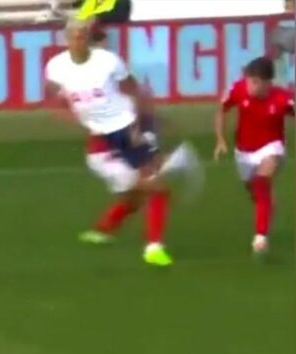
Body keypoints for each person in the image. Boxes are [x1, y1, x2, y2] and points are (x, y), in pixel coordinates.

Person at [45, 18, 201, 267]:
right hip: (101, 144)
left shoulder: (108, 61)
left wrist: (142, 123)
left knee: (153, 188)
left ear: (88, 37)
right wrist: (72, 116)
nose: (79, 40)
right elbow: (52, 98)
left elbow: (134, 90)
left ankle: (150, 246)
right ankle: (174, 163)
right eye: (74, 36)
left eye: (83, 35)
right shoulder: (56, 67)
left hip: (126, 129)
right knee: (141, 191)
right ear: (66, 39)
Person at [214, 56, 294, 255]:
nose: (251, 86)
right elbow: (221, 110)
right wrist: (220, 139)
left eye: (256, 82)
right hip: (244, 152)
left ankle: (260, 237)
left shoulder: (282, 98)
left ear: (268, 83)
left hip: (271, 147)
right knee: (256, 194)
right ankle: (267, 207)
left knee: (261, 182)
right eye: (250, 81)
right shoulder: (238, 89)